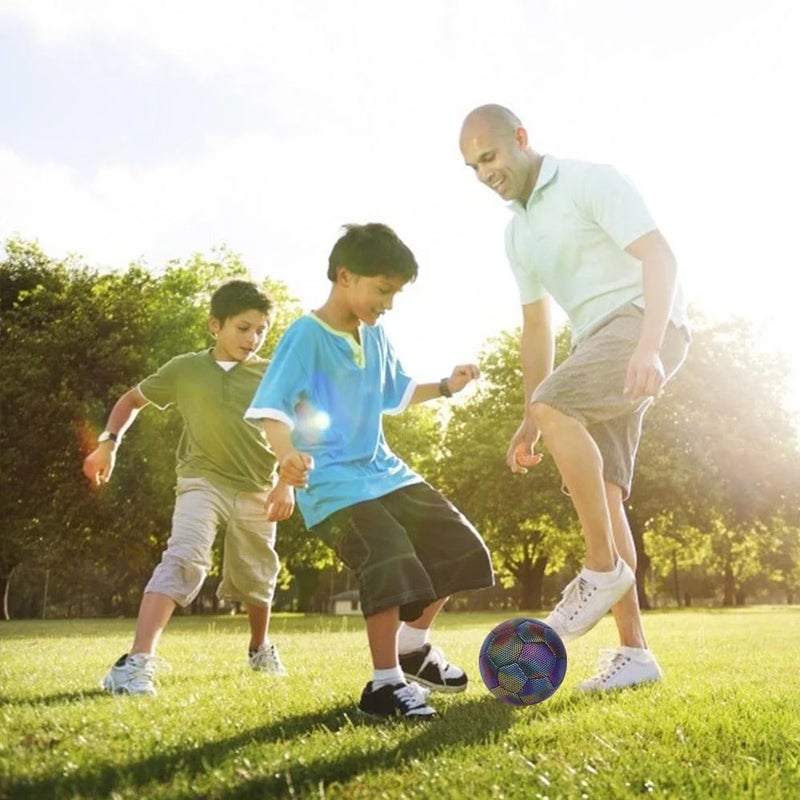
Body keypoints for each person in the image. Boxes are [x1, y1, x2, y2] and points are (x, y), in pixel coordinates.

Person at [459, 104, 690, 691]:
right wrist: (530, 418)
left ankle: (600, 568)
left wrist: (648, 345)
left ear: (521, 138)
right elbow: (537, 328)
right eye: (473, 166)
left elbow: (660, 257)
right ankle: (635, 655)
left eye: (489, 156)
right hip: (595, 343)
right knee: (605, 491)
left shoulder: (590, 181)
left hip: (641, 323)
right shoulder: (517, 233)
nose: (484, 173)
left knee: (556, 404)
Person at [246, 223, 494, 720]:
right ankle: (385, 684)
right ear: (345, 276)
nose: (389, 303)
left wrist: (447, 386)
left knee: (461, 545)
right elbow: (273, 407)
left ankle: (412, 647)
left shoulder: (375, 334)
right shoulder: (306, 336)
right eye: (383, 290)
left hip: (384, 471)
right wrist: (285, 455)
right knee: (388, 554)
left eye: (395, 293)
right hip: (333, 483)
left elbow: (395, 393)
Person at [83, 278, 289, 696]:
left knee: (257, 574)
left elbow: (294, 430)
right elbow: (130, 400)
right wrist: (108, 443)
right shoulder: (185, 368)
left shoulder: (272, 374)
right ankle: (136, 663)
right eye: (243, 328)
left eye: (261, 330)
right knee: (184, 558)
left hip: (257, 487)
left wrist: (287, 482)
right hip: (201, 480)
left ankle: (259, 648)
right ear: (215, 325)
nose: (252, 339)